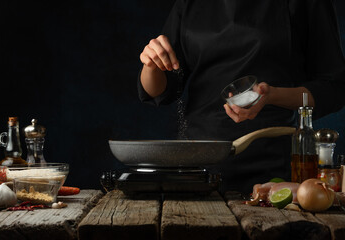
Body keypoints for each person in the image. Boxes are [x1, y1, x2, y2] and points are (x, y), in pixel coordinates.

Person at [137, 0, 345, 194]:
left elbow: (334, 88)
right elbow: (161, 91)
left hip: (273, 167)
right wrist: (151, 64)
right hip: (197, 162)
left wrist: (272, 95)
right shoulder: (190, 4)